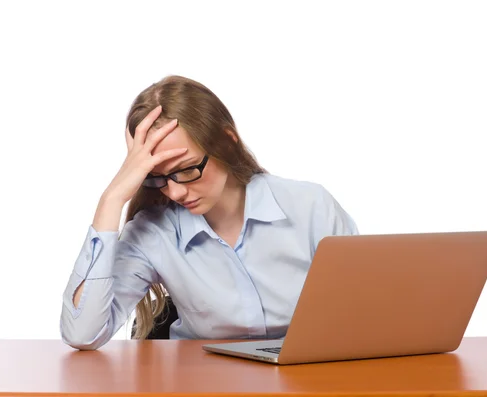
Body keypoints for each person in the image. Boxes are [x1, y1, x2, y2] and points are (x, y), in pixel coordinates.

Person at [60, 75, 358, 350]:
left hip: (306, 381)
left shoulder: (311, 206)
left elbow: (362, 312)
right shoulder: (154, 233)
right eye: (156, 177)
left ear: (228, 142)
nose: (174, 192)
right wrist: (111, 199)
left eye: (187, 170)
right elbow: (82, 333)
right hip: (201, 383)